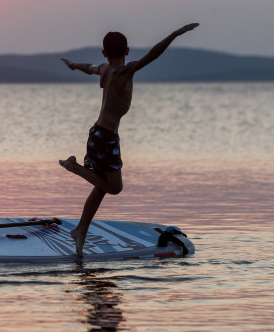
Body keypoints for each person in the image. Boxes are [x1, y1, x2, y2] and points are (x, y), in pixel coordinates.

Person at [59, 23, 199, 257]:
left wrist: (74, 65)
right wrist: (175, 34)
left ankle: (81, 230)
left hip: (99, 134)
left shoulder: (104, 69)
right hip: (105, 137)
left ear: (104, 53)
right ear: (127, 51)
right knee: (115, 188)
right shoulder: (125, 71)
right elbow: (152, 55)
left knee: (102, 186)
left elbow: (89, 67)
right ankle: (73, 166)